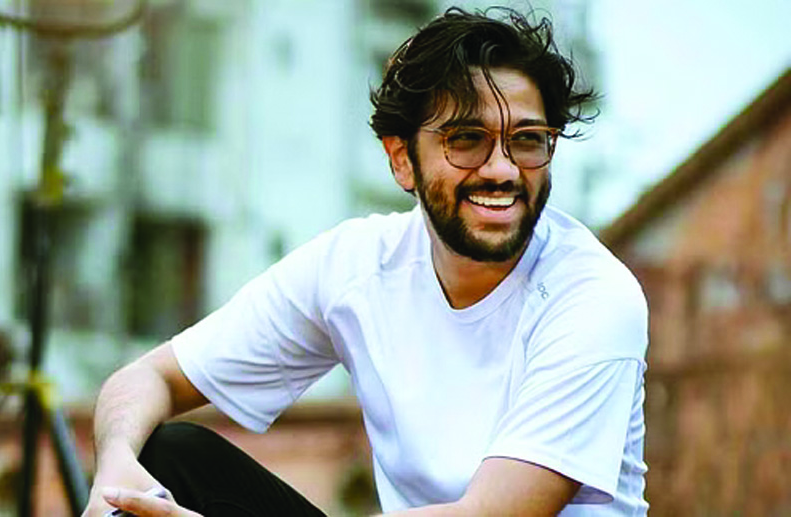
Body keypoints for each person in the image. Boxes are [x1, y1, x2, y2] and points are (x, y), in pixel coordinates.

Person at [83, 6, 649, 517]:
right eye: (466, 139)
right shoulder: (358, 265)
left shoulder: (593, 296)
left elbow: (490, 514)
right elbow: (148, 377)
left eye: (527, 139)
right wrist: (114, 472)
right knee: (165, 458)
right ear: (402, 160)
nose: (501, 169)